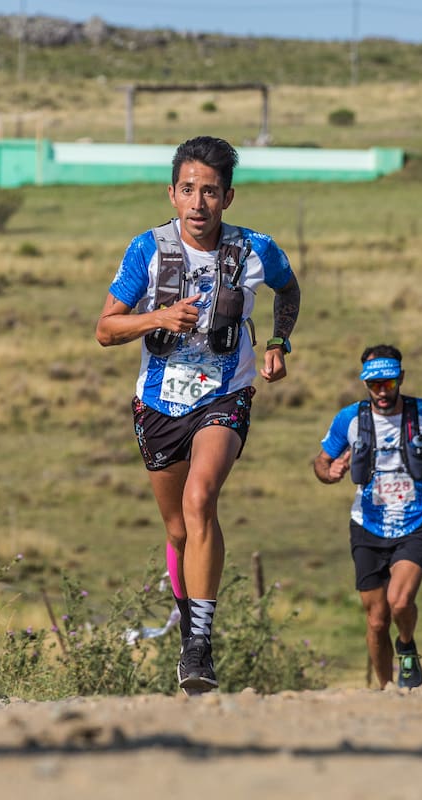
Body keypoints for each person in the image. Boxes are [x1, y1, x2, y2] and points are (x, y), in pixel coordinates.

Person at [95, 135, 301, 694]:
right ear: (171, 192)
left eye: (210, 192)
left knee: (200, 499)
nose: (198, 203)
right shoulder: (147, 250)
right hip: (159, 401)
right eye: (188, 190)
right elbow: (105, 330)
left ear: (228, 197)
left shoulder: (257, 249)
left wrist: (279, 340)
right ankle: (189, 624)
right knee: (177, 529)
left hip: (224, 396)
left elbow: (289, 289)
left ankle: (200, 647)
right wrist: (155, 316)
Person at [313, 345, 422, 689]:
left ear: (401, 380)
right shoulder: (349, 418)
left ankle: (406, 644)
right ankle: (385, 689)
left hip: (415, 522)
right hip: (367, 526)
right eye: (375, 384)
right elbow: (320, 462)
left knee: (400, 601)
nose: (382, 390)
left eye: (389, 383)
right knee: (377, 620)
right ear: (366, 383)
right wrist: (330, 472)